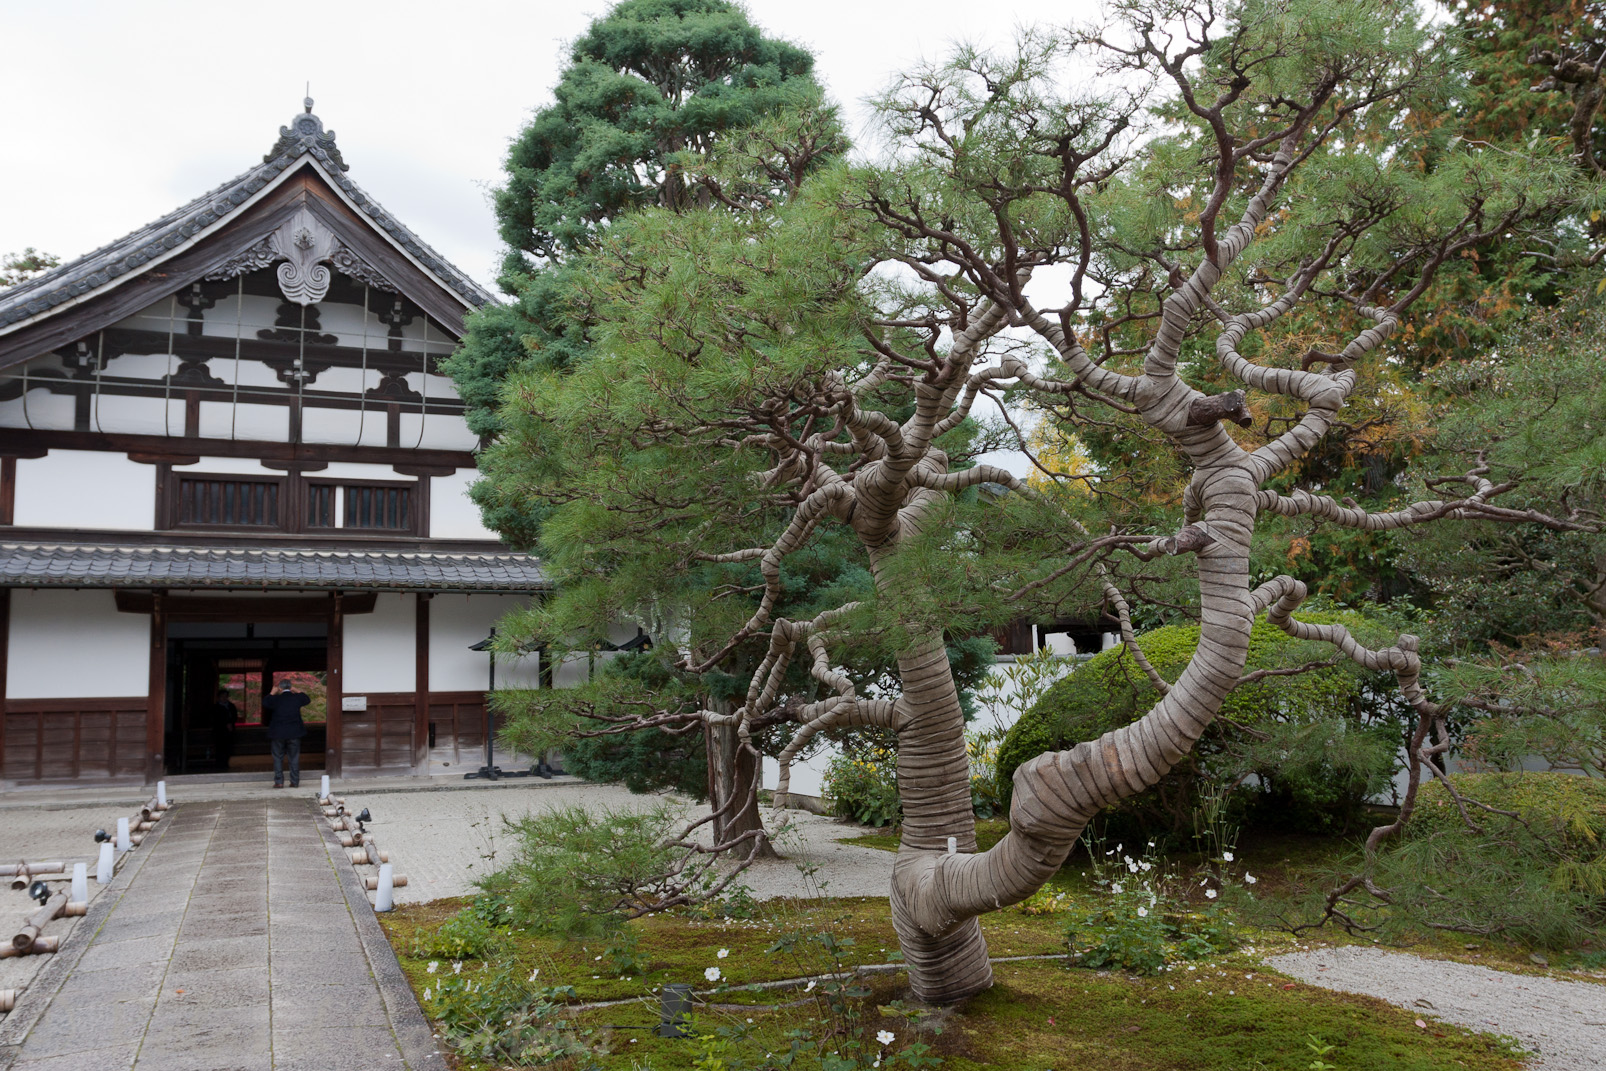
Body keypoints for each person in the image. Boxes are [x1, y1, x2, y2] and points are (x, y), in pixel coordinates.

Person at [261, 678, 310, 789]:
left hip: (278, 733)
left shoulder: (275, 699)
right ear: (290, 687)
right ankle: (295, 781)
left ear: (280, 688)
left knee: (278, 757)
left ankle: (279, 782)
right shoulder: (296, 698)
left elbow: (265, 703)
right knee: (294, 757)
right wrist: (296, 690)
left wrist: (272, 693)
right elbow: (307, 699)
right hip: (294, 732)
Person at [211, 687, 238, 771]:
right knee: (220, 749)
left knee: (228, 748)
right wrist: (225, 723)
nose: (224, 698)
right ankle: (219, 764)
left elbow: (234, 716)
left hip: (229, 732)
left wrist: (230, 724)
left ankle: (226, 763)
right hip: (219, 731)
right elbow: (215, 719)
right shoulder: (216, 707)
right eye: (222, 696)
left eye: (226, 696)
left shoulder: (231, 706)